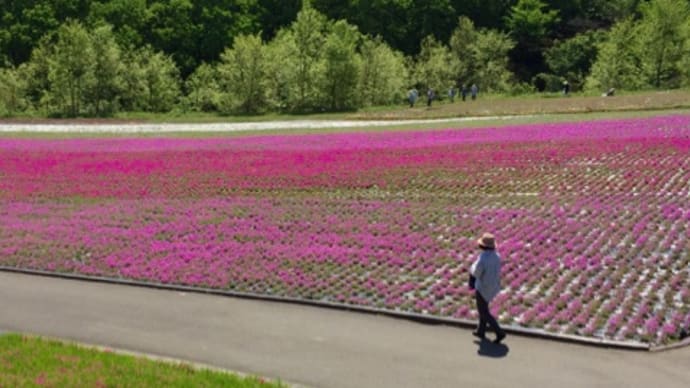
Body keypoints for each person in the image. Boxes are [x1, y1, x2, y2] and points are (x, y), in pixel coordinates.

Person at [470, 233, 506, 344]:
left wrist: (471, 271)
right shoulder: (497, 256)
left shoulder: (482, 258)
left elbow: (476, 272)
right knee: (484, 307)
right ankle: (480, 331)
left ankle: (499, 332)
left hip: (483, 286)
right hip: (493, 285)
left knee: (483, 311)